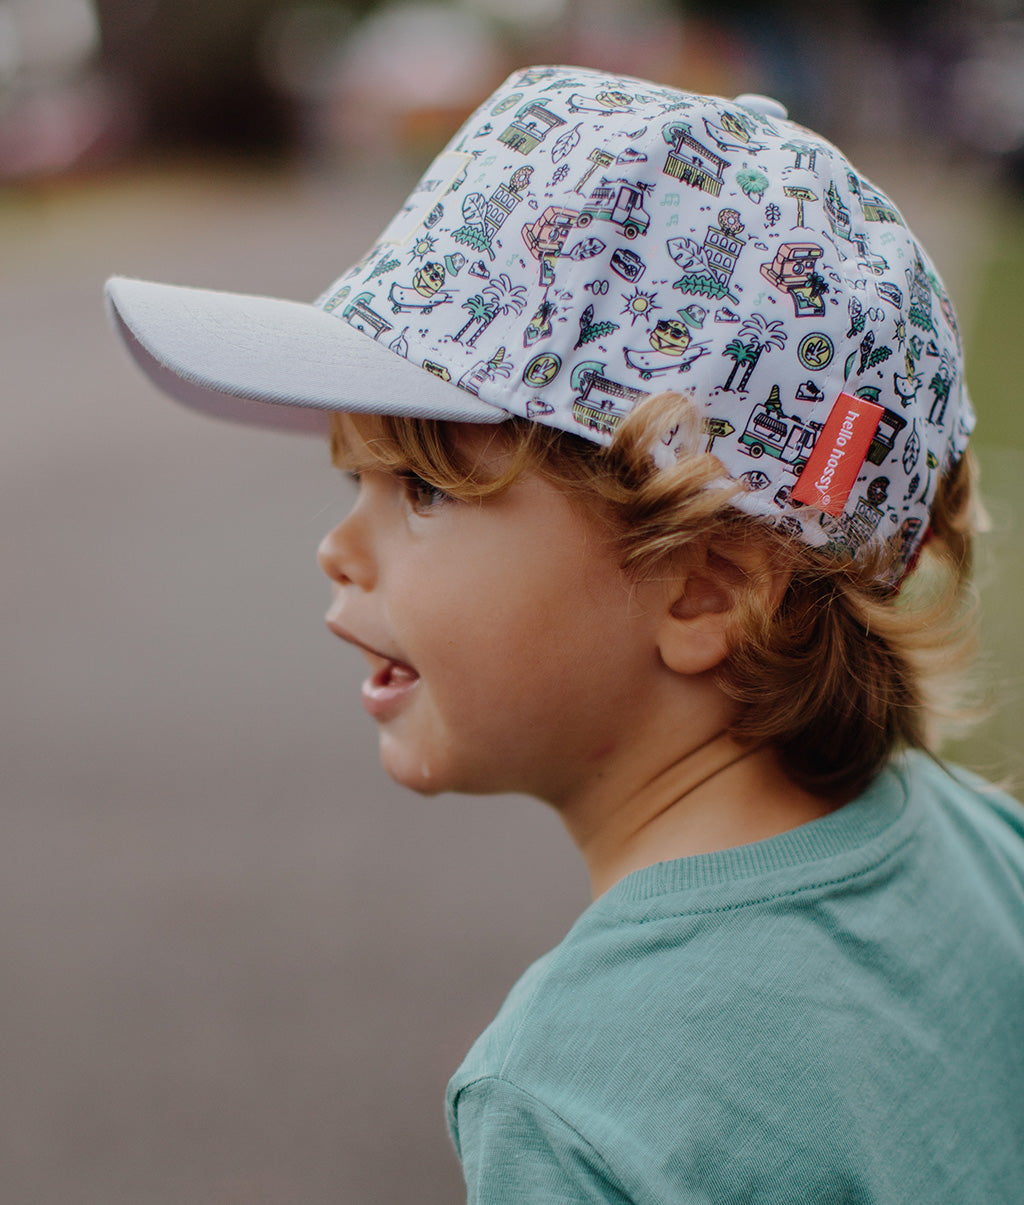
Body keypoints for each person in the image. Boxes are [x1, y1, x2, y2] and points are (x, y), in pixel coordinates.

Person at [106, 65, 1024, 1203]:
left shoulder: (578, 1097)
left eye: (424, 491)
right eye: (355, 478)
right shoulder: (984, 845)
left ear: (705, 588)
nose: (337, 548)